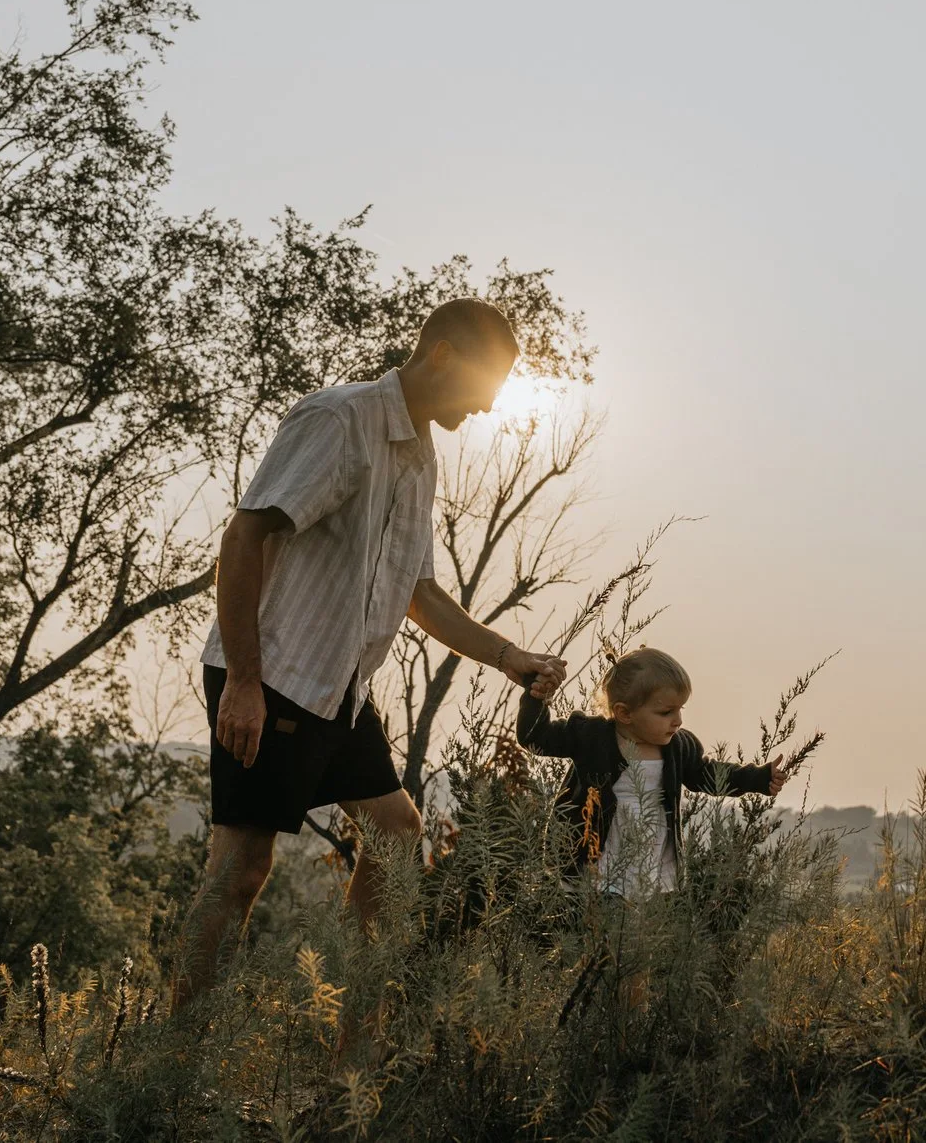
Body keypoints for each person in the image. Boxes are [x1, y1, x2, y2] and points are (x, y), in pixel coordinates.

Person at [170, 298, 569, 1008]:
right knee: (239, 871)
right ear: (441, 354)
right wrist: (244, 682)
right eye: (484, 387)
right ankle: (171, 1060)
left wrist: (511, 656)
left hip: (342, 690)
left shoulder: (420, 455)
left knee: (394, 830)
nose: (486, 407)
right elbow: (243, 537)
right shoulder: (338, 420)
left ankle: (356, 1049)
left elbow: (422, 594)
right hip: (275, 674)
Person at [517, 647, 789, 896]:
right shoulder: (590, 736)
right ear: (625, 713)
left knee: (640, 939)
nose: (678, 720)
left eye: (680, 709)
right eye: (666, 712)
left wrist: (757, 778)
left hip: (651, 866)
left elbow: (708, 775)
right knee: (597, 937)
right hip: (594, 867)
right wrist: (536, 697)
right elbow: (536, 738)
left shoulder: (678, 747)